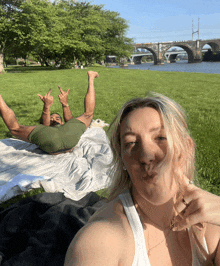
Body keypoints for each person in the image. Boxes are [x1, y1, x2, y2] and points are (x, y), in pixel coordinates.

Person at [64, 92, 220, 266]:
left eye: (161, 138)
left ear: (186, 150)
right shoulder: (101, 239)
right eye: (131, 143)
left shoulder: (212, 224)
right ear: (122, 159)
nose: (145, 155)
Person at [0, 71, 99, 155]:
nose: (54, 119)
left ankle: (91, 78)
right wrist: (46, 107)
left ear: (62, 123)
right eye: (52, 118)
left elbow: (69, 121)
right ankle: (91, 78)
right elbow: (46, 125)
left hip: (58, 137)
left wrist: (65, 104)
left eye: (57, 118)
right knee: (88, 114)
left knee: (15, 129)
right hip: (63, 138)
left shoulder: (62, 128)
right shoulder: (47, 129)